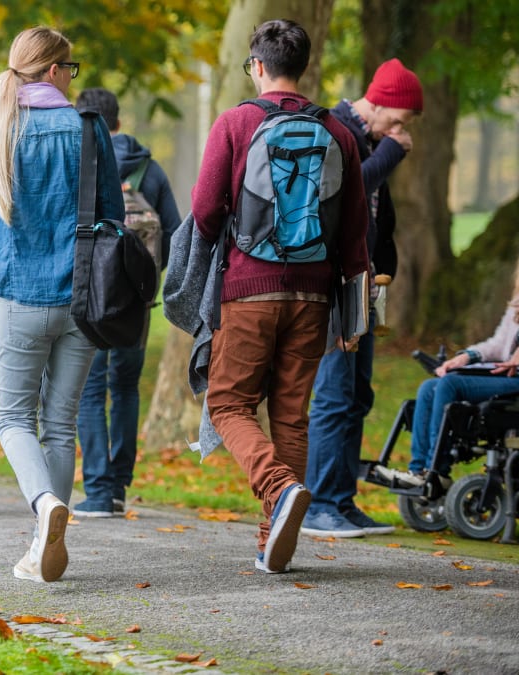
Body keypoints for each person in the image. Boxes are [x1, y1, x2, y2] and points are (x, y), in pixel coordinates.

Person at [190, 19, 369, 574]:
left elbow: (204, 210)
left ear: (257, 65)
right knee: (291, 415)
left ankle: (278, 486)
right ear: (304, 67)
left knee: (227, 404)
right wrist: (355, 312)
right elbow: (355, 231)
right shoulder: (339, 132)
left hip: (249, 288)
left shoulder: (236, 122)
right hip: (315, 294)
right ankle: (275, 539)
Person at [0, 26, 123, 582]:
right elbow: (112, 215)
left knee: (13, 418)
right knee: (60, 424)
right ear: (55, 71)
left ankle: (44, 505)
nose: (72, 78)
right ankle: (43, 542)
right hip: (82, 297)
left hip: (20, 293)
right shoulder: (90, 128)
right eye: (70, 69)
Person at [301, 59, 424, 538]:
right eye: (399, 120)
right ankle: (318, 506)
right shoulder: (338, 131)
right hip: (334, 285)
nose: (401, 131)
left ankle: (342, 501)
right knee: (334, 394)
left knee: (357, 396)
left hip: (365, 286)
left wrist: (384, 263)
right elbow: (345, 193)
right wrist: (391, 151)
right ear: (380, 103)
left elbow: (377, 214)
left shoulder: (371, 140)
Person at [72, 87, 183, 518]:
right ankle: (118, 486)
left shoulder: (81, 162)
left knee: (90, 389)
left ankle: (98, 491)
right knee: (125, 387)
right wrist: (147, 280)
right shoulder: (149, 169)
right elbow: (174, 230)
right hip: (136, 301)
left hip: (91, 297)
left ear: (84, 122)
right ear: (118, 120)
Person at [377, 257, 519, 487]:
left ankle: (437, 470)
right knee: (429, 388)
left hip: (515, 380)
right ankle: (418, 470)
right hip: (503, 373)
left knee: (449, 384)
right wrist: (467, 356)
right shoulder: (516, 305)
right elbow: (497, 345)